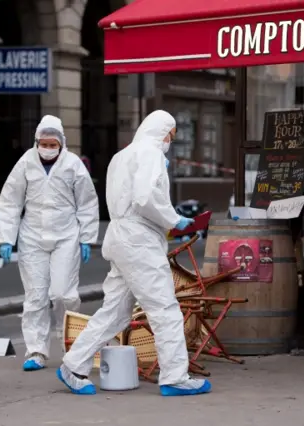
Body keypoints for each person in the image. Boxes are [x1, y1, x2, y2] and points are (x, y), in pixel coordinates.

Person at [56, 110, 210, 397]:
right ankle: (175, 377)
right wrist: (173, 219)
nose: (169, 142)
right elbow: (145, 198)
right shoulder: (150, 154)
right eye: (170, 136)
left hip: (120, 237)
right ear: (162, 132)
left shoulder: (121, 156)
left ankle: (73, 365)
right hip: (139, 242)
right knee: (164, 309)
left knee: (114, 312)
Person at [0, 115, 100, 372]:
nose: (48, 147)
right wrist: (6, 237)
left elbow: (87, 202)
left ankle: (72, 344)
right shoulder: (25, 163)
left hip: (66, 236)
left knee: (64, 293)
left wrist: (87, 237)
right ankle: (36, 350)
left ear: (62, 143)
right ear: (37, 142)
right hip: (32, 237)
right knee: (35, 298)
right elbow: (11, 200)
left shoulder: (73, 164)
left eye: (53, 144)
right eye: (44, 143)